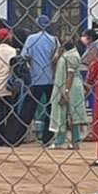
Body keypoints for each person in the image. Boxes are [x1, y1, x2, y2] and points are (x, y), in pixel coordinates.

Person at [14, 15, 57, 145]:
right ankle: (47, 137)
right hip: (50, 78)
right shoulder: (53, 40)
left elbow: (25, 56)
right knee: (50, 109)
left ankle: (17, 137)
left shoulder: (31, 39)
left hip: (35, 78)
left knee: (28, 108)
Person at [48, 36, 87, 149]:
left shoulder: (73, 55)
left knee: (72, 114)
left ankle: (73, 140)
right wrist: (58, 53)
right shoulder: (65, 54)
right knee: (62, 113)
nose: (66, 42)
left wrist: (66, 91)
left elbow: (70, 75)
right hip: (62, 85)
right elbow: (53, 63)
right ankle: (61, 139)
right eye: (64, 40)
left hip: (71, 87)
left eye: (68, 41)